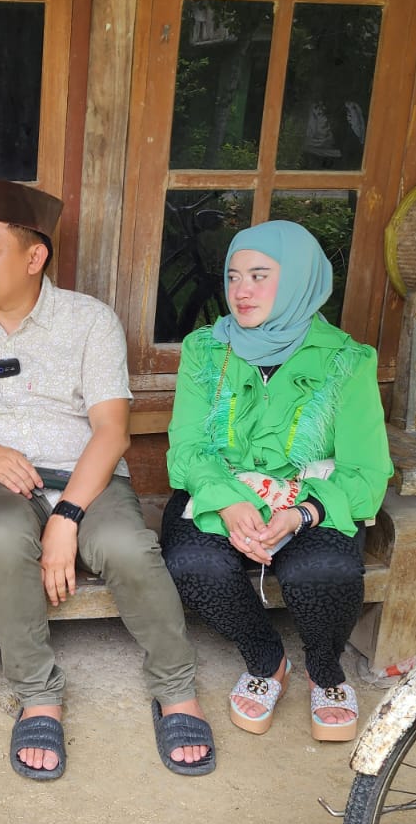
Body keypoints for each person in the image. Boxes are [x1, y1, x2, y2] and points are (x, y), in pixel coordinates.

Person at [0, 179, 212, 781]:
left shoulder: (89, 321)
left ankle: (176, 689)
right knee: (2, 541)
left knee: (127, 547)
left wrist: (67, 518)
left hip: (87, 479)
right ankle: (38, 696)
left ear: (34, 257)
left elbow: (112, 432)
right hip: (1, 484)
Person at [160, 220, 392, 742]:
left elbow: (366, 468)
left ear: (298, 280)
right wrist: (226, 502)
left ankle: (325, 671)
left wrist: (300, 513)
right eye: (233, 276)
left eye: (260, 276)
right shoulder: (207, 349)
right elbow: (188, 446)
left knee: (325, 569)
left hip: (309, 496)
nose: (241, 291)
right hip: (220, 488)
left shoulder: (346, 360)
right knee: (192, 562)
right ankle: (266, 659)